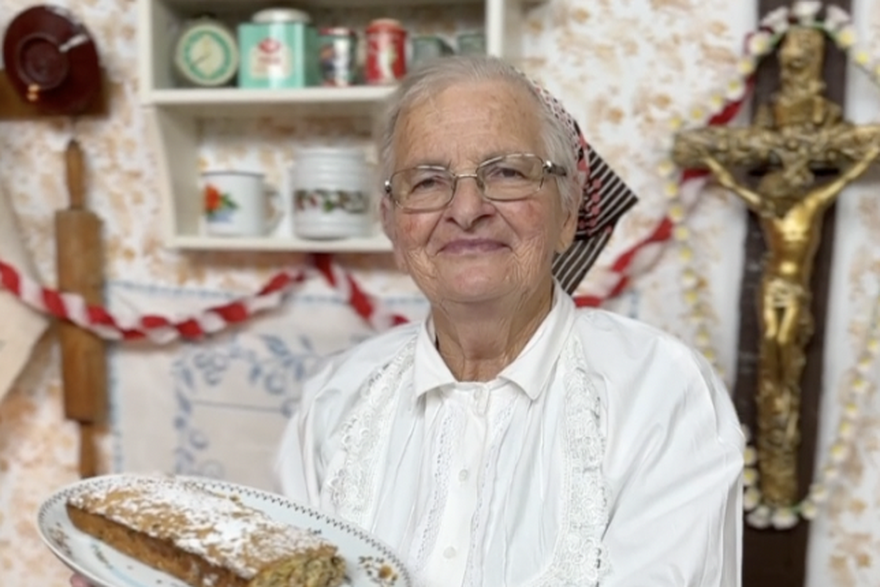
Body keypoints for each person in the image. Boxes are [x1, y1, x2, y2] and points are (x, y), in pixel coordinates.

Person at [72, 55, 743, 587]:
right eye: (427, 181)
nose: (467, 207)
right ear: (393, 224)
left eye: (506, 172)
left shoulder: (662, 393)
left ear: (567, 213)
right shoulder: (339, 397)